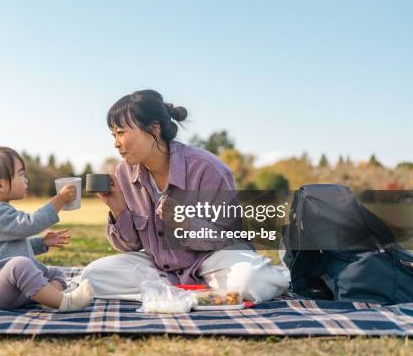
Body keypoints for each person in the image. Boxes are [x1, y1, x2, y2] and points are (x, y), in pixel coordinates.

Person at [81, 90, 289, 302]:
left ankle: (172, 292)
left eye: (121, 132)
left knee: (249, 280)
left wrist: (185, 223)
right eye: (113, 135)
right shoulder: (123, 174)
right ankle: (195, 293)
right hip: (160, 266)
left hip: (213, 261)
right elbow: (130, 247)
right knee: (92, 277)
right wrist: (118, 209)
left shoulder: (208, 169)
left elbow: (229, 238)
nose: (116, 143)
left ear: (154, 129)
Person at [0, 146, 94, 311]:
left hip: (16, 291)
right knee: (20, 265)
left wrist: (42, 242)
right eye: (20, 174)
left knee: (55, 272)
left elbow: (11, 246)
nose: (26, 180)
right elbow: (29, 224)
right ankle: (66, 303)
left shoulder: (1, 210)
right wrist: (59, 200)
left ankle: (49, 298)